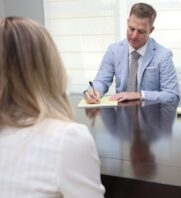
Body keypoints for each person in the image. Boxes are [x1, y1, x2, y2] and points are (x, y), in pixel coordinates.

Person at [0, 17, 105, 197]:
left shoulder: (162, 54)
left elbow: (169, 91)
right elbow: (102, 79)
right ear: (49, 66)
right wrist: (95, 90)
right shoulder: (68, 139)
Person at [84, 2, 179, 104]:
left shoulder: (163, 55)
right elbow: (101, 81)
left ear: (151, 30)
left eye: (141, 32)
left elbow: (172, 95)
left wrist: (140, 95)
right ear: (128, 22)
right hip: (121, 115)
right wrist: (94, 91)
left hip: (150, 115)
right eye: (131, 29)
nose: (134, 36)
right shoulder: (114, 51)